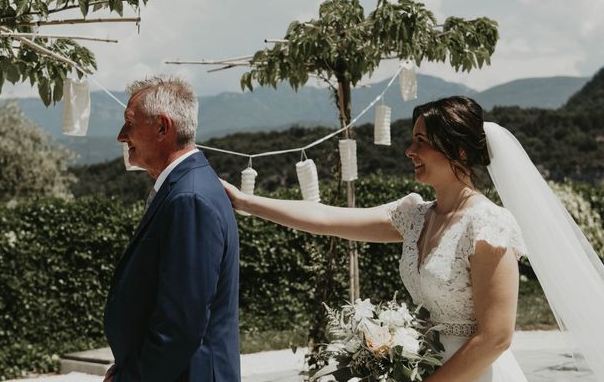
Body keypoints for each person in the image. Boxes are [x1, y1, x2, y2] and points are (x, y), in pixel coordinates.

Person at [222, 95, 557, 382]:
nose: (410, 151)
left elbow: (496, 337)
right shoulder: (414, 216)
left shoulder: (487, 225)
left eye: (421, 142)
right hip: (424, 364)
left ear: (460, 152)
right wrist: (245, 202)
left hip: (474, 373)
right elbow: (326, 218)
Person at [103, 76, 240, 382]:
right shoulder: (186, 187)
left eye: (129, 123)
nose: (121, 136)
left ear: (163, 128)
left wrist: (132, 377)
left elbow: (180, 325)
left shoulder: (189, 197)